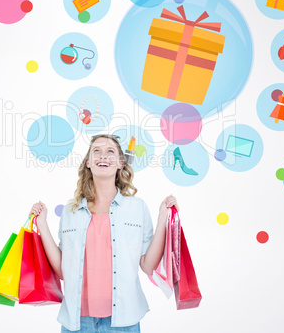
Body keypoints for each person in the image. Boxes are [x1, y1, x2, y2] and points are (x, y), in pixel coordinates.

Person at [29, 134, 179, 332]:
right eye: (96, 151)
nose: (103, 156)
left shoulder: (137, 207)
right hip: (77, 322)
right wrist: (43, 225)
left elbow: (148, 266)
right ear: (89, 163)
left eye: (110, 152)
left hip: (123, 321)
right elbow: (63, 271)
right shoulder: (71, 210)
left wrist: (162, 219)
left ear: (120, 163)